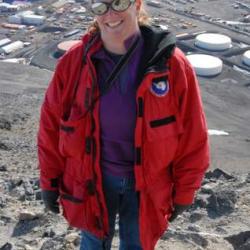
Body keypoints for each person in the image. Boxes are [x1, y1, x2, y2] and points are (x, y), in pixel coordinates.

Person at [38, 0, 210, 249]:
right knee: (93, 243)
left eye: (119, 3)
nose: (110, 14)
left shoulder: (170, 63)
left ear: (137, 4)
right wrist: (49, 181)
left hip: (147, 185)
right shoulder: (75, 62)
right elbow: (51, 127)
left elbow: (194, 134)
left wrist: (185, 191)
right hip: (91, 178)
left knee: (136, 244)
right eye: (100, 7)